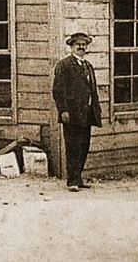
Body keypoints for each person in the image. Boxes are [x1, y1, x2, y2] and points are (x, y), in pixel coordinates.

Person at [52, 32, 102, 192]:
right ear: (71, 46)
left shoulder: (88, 66)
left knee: (84, 146)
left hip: (86, 113)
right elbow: (58, 90)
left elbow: (92, 90)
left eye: (84, 44)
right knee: (73, 146)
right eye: (78, 44)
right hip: (72, 114)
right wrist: (63, 110)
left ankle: (78, 178)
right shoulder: (64, 65)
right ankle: (72, 181)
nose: (81, 47)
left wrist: (95, 109)